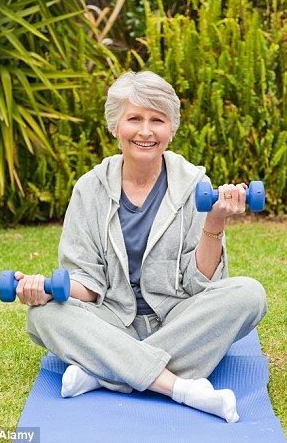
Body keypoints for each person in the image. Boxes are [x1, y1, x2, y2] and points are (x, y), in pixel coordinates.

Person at [16, 71, 267, 423]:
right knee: (43, 314)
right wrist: (41, 288)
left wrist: (215, 222)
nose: (146, 131)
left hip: (177, 318)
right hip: (111, 320)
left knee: (249, 293)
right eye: (134, 119)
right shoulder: (89, 190)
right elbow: (86, 284)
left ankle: (103, 372)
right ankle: (180, 388)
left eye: (157, 120)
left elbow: (200, 286)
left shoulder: (196, 184)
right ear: (116, 126)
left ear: (171, 129)